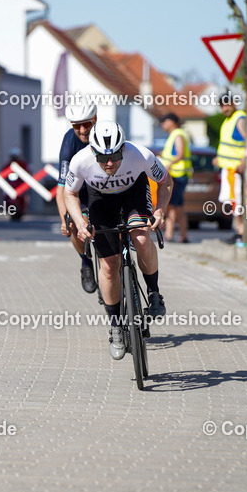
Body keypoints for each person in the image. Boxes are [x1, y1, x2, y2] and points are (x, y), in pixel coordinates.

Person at [64, 122, 170, 361]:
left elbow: (166, 181)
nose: (109, 162)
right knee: (109, 265)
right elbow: (69, 193)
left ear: (124, 148)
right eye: (102, 157)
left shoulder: (141, 155)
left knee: (141, 237)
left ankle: (154, 292)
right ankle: (115, 327)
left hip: (133, 193)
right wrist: (80, 222)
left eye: (115, 155)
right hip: (100, 200)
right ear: (92, 151)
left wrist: (161, 211)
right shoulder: (80, 161)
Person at [55, 102, 99, 294]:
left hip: (103, 188)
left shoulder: (106, 134)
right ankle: (86, 263)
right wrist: (64, 219)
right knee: (73, 224)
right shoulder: (69, 142)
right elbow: (62, 188)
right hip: (79, 191)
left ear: (95, 119)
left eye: (87, 124)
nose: (82, 130)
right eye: (76, 125)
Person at [214, 93, 246, 242]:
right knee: (233, 201)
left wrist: (244, 162)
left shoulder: (239, 119)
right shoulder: (228, 120)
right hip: (228, 168)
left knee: (238, 201)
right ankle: (239, 230)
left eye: (227, 104)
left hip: (236, 169)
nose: (224, 108)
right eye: (222, 106)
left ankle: (241, 231)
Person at [159, 113, 191, 243]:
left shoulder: (177, 134)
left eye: (164, 121)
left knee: (174, 206)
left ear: (171, 121)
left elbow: (180, 153)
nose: (162, 124)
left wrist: (169, 165)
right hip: (177, 175)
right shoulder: (175, 134)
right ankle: (178, 235)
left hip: (178, 174)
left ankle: (173, 234)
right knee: (177, 206)